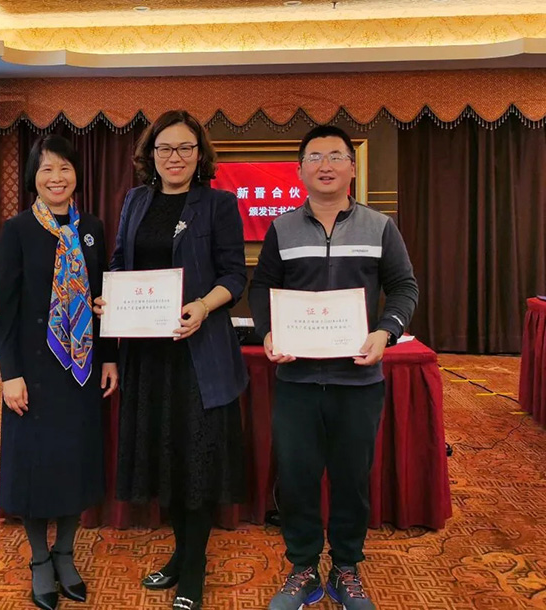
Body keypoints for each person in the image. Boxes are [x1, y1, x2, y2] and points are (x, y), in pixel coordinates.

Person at [249, 125, 419, 610]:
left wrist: (385, 331)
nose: (325, 165)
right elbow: (261, 287)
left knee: (351, 480)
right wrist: (269, 332)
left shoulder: (379, 226)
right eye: (315, 157)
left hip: (357, 379)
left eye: (336, 156)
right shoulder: (282, 228)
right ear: (300, 170)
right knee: (297, 479)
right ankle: (303, 568)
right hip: (297, 379)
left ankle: (346, 568)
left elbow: (404, 287)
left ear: (352, 167)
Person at [94, 110, 248, 610]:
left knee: (195, 463)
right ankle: (181, 555)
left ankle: (194, 571)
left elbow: (234, 275)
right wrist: (111, 298)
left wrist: (203, 306)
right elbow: (120, 262)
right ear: (151, 155)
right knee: (167, 459)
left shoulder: (219, 204)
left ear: (200, 155)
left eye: (184, 148)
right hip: (148, 354)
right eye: (164, 148)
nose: (174, 157)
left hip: (197, 354)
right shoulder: (136, 200)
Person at [0, 135, 119, 610]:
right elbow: (4, 310)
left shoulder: (93, 228)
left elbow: (105, 298)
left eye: (64, 167)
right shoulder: (17, 230)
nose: (57, 177)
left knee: (74, 463)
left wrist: (109, 356)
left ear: (76, 174)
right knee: (34, 467)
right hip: (33, 371)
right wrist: (9, 373)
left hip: (82, 368)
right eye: (46, 169)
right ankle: (40, 559)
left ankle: (66, 552)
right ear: (34, 178)